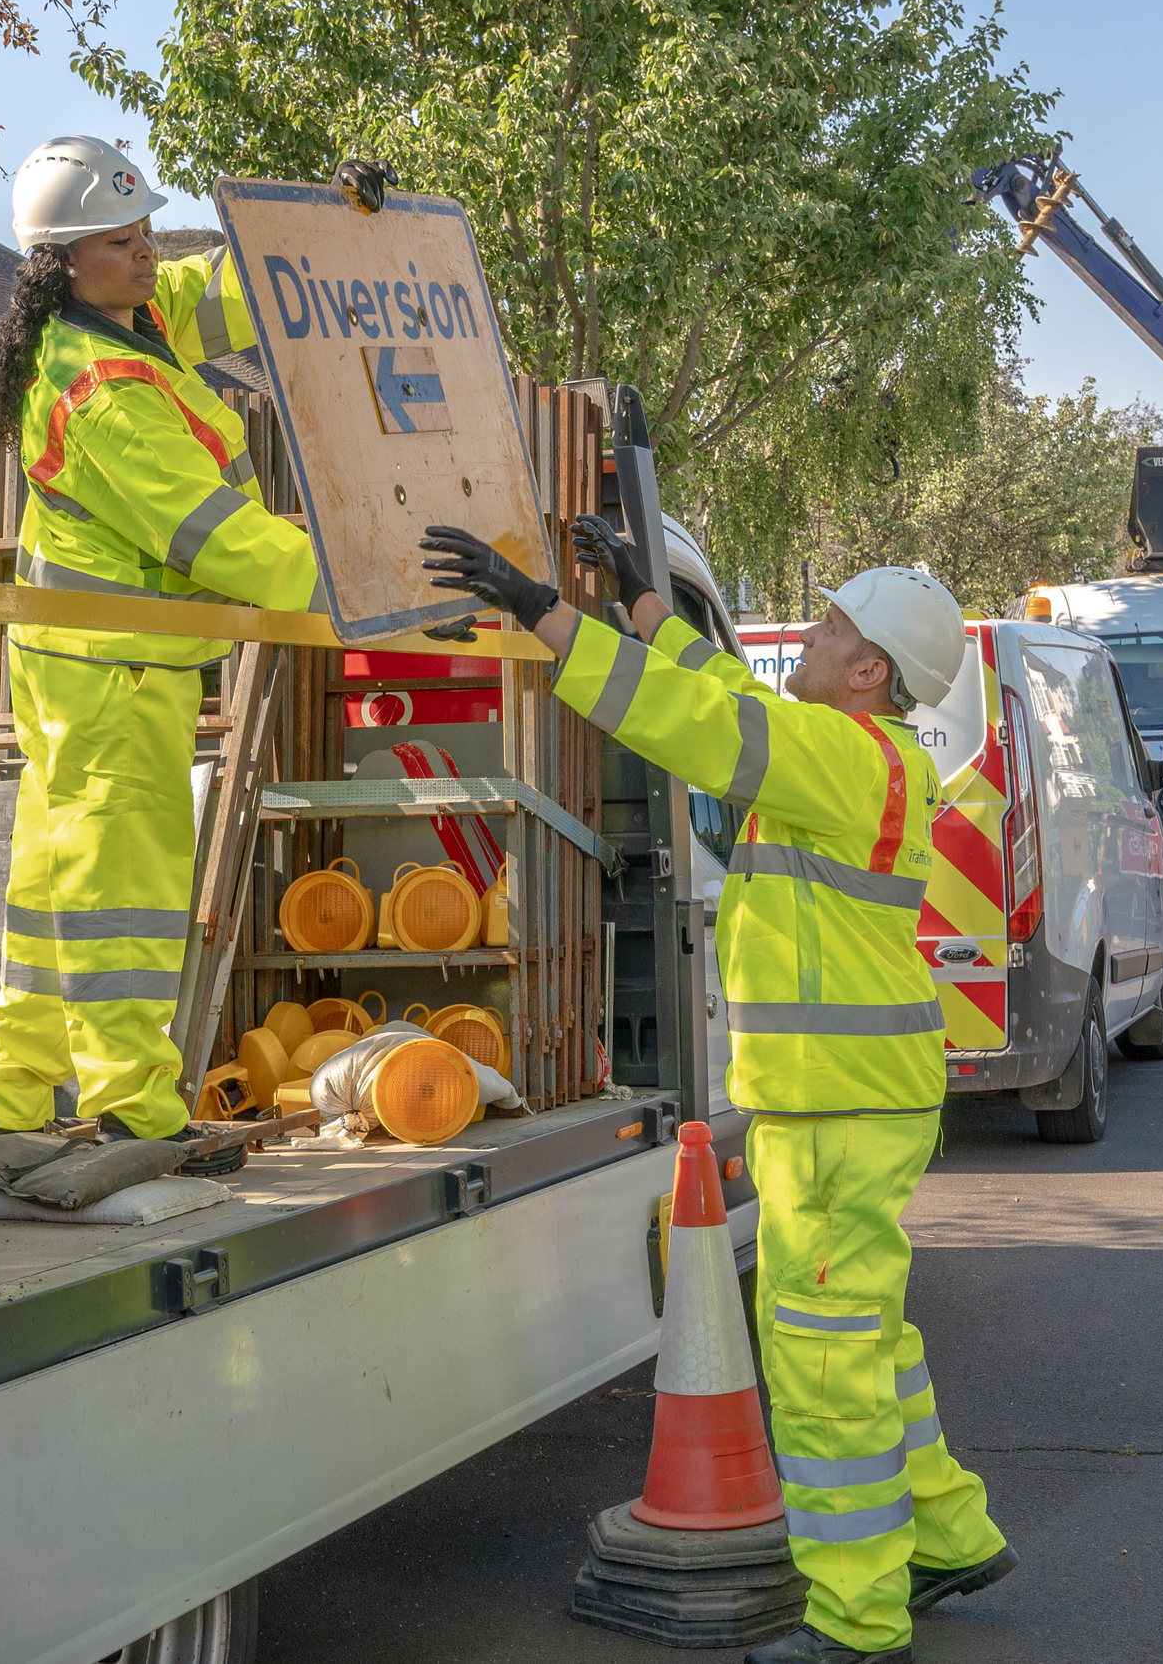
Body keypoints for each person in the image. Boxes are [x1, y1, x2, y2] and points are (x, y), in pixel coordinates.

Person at [420, 521, 1016, 1663]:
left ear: (870, 669)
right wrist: (647, 605)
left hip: (836, 1107)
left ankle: (857, 1614)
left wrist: (546, 613)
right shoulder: (855, 750)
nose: (812, 634)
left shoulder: (842, 755)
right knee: (868, 1335)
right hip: (851, 1098)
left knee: (822, 1358)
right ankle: (946, 1532)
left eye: (831, 625)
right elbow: (727, 692)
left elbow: (696, 720)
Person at [0, 138, 380, 1150]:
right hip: (115, 676)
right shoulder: (99, 392)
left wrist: (322, 220)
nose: (148, 251)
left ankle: (16, 1095)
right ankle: (133, 1107)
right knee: (122, 894)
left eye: (147, 230)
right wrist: (361, 587)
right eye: (122, 240)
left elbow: (233, 289)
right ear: (63, 261)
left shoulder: (126, 322)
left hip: (83, 667)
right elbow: (213, 534)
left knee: (55, 886)